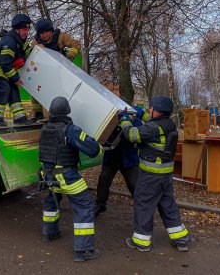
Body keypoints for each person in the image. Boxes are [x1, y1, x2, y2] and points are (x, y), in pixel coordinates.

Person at [120, 96, 190, 252]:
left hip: (151, 176)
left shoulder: (153, 128)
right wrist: (139, 114)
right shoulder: (170, 124)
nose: (148, 110)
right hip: (165, 175)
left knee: (143, 204)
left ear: (157, 111)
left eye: (150, 108)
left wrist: (124, 120)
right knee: (168, 205)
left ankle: (141, 242)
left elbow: (132, 135)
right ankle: (181, 239)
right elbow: (152, 122)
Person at [39, 96, 102, 262]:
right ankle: (83, 250)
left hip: (49, 176)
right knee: (85, 206)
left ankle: (49, 233)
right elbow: (93, 150)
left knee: (52, 201)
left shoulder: (45, 128)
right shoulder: (71, 129)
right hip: (67, 176)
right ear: (67, 111)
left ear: (51, 111)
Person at [0, 14, 33, 126]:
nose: (27, 32)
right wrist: (15, 78)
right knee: (4, 87)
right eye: (24, 29)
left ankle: (20, 119)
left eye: (27, 29)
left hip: (0, 65)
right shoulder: (10, 42)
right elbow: (5, 64)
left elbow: (27, 51)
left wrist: (39, 49)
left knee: (13, 89)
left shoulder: (20, 40)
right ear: (17, 30)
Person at [95, 106, 144, 217]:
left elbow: (138, 135)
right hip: (111, 158)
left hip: (129, 159)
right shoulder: (108, 120)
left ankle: (142, 210)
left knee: (135, 185)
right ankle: (100, 205)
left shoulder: (134, 119)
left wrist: (128, 122)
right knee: (104, 180)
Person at [30, 19, 82, 121]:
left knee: (58, 92)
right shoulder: (35, 43)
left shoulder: (61, 37)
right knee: (36, 88)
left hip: (59, 70)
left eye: (46, 32)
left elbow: (76, 45)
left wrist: (70, 56)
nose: (44, 35)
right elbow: (30, 55)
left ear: (51, 31)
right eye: (42, 33)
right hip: (44, 71)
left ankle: (56, 114)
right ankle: (38, 113)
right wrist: (36, 49)